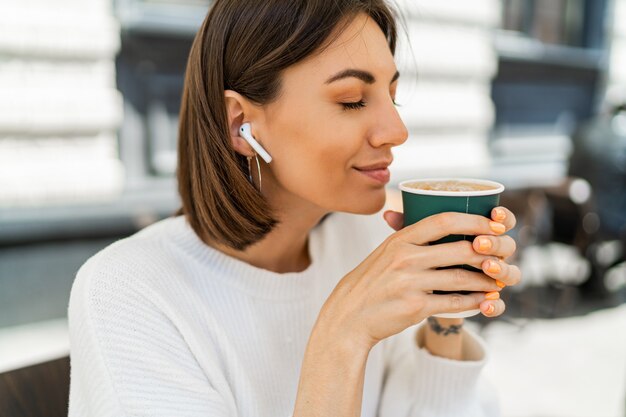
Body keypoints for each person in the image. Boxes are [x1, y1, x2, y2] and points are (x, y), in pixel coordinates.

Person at [67, 1, 521, 416]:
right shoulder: (128, 292)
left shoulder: (368, 241)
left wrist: (447, 306)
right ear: (240, 124)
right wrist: (341, 337)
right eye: (352, 100)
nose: (396, 130)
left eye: (392, 95)